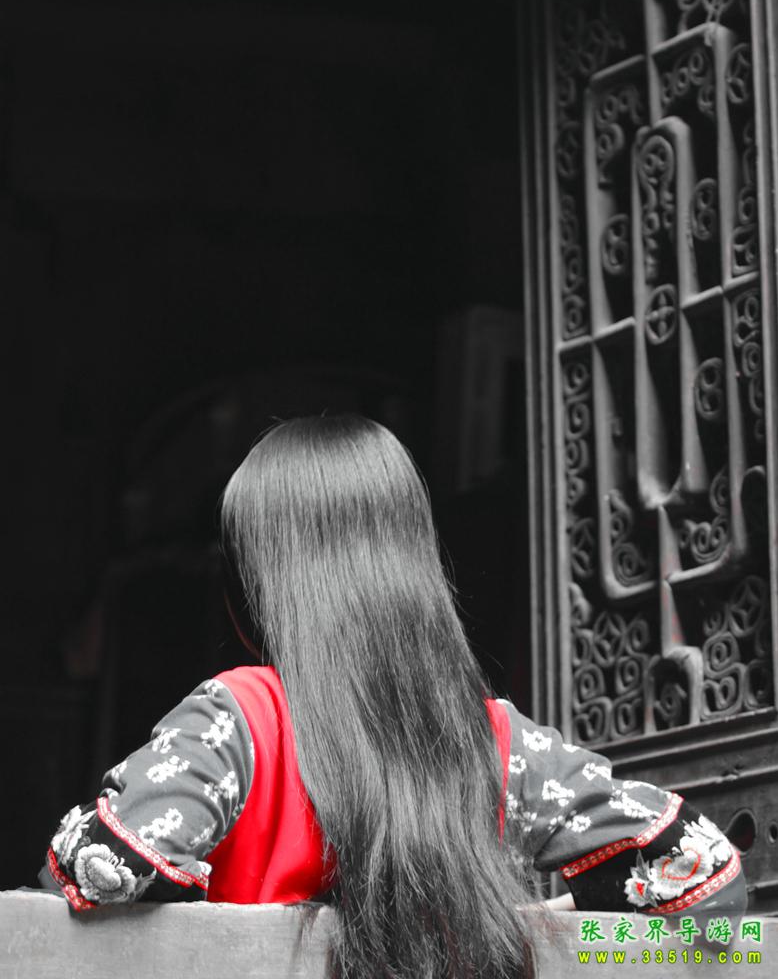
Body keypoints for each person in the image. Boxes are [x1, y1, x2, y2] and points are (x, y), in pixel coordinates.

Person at [44, 415, 746, 979]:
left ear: (251, 590)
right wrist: (547, 927)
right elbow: (704, 880)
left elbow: (101, 874)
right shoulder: (497, 743)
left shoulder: (239, 722)